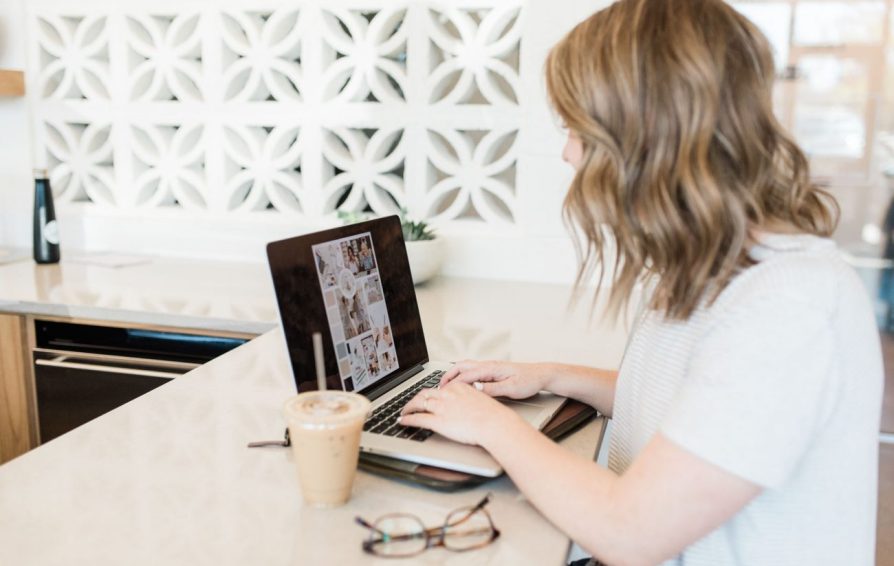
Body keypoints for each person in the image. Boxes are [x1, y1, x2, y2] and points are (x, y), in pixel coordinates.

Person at [399, 1, 884, 565]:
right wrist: (551, 376)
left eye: (579, 130)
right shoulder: (716, 263)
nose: (568, 152)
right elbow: (690, 399)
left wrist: (493, 427)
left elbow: (629, 533)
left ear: (646, 137)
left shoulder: (788, 307)